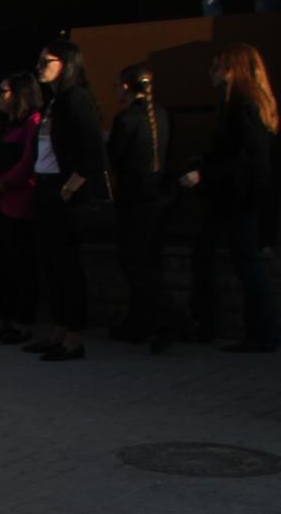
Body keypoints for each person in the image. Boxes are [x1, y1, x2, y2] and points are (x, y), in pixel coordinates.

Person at [183, 44, 278, 352]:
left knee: (246, 264)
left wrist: (205, 174)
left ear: (232, 69)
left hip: (239, 199)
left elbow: (248, 158)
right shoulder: (243, 104)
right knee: (218, 258)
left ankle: (261, 334)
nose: (211, 73)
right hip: (235, 198)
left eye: (216, 68)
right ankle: (212, 324)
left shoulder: (242, 104)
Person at [26, 39, 107, 362]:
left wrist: (68, 190)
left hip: (64, 191)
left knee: (67, 267)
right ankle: (58, 330)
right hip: (45, 186)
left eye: (47, 61)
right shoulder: (55, 101)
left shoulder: (77, 100)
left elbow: (92, 154)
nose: (40, 66)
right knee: (51, 265)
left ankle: (74, 337)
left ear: (66, 63)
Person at [106, 65, 184, 350]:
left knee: (137, 266)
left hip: (136, 203)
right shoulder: (162, 116)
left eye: (117, 86)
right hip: (160, 201)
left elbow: (113, 159)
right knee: (149, 263)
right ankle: (138, 323)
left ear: (126, 87)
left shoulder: (126, 120)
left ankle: (172, 319)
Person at [0, 73, 43, 344]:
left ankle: (23, 322)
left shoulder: (32, 123)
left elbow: (28, 163)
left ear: (20, 94)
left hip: (18, 202)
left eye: (3, 91)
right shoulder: (1, 125)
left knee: (21, 265)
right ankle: (3, 318)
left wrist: (0, 185)